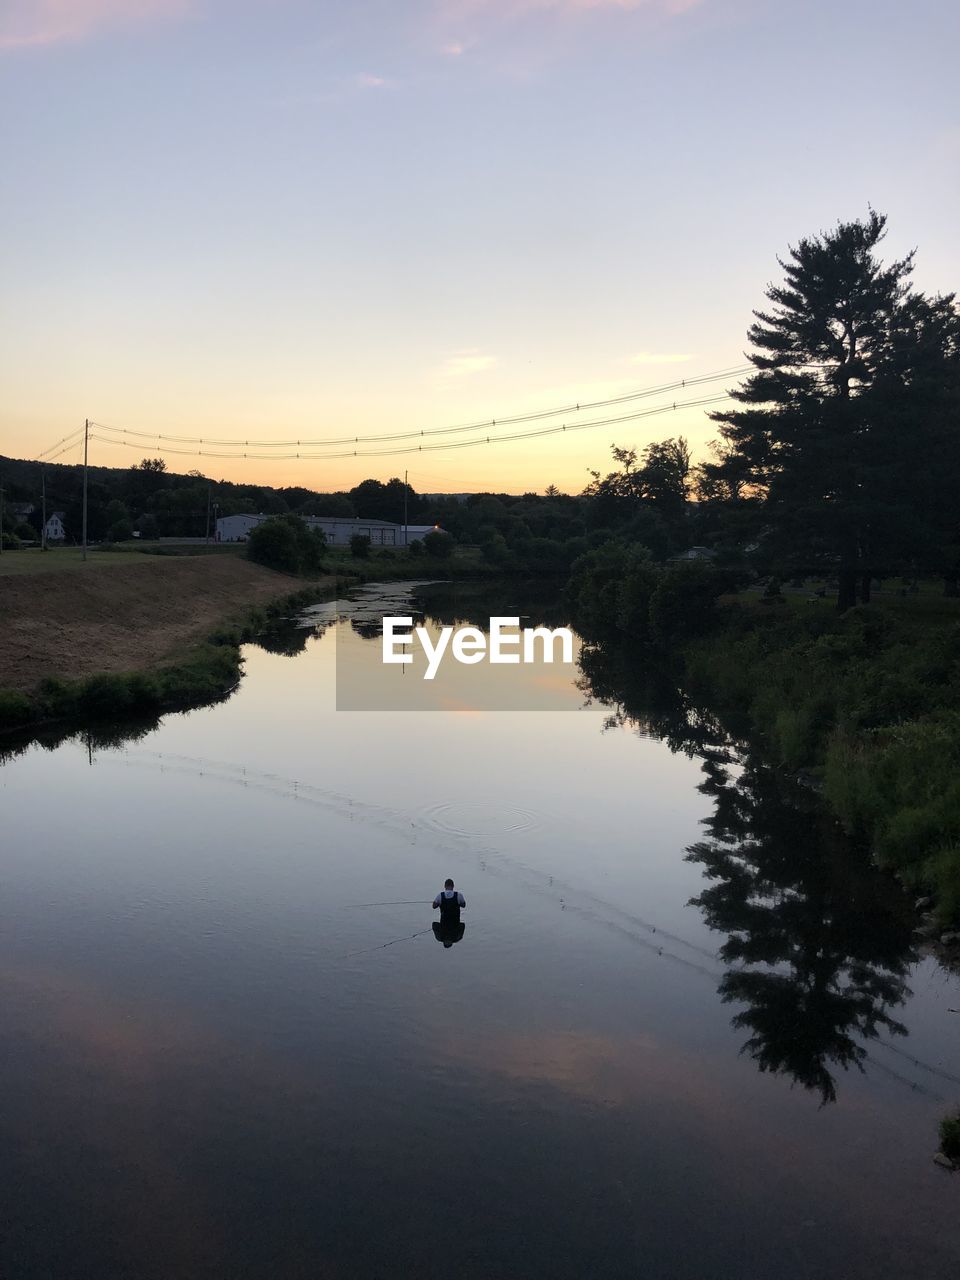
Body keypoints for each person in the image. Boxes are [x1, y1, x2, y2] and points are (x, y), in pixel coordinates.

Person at [432, 878, 467, 947]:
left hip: (444, 922)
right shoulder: (459, 895)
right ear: (453, 886)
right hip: (455, 922)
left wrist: (438, 903)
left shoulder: (440, 895)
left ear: (445, 886)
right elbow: (464, 905)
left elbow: (433, 906)